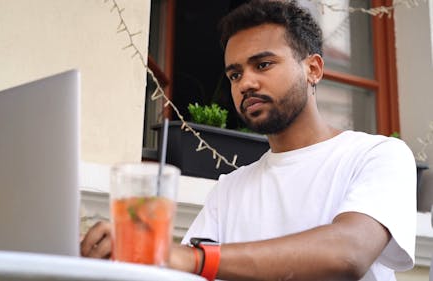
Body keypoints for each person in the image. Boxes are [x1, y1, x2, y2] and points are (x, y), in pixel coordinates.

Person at [81, 0, 417, 280]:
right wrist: (122, 258)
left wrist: (195, 258)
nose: (246, 83)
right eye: (235, 74)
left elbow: (349, 252)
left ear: (313, 69)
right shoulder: (230, 189)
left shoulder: (377, 155)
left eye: (264, 64)